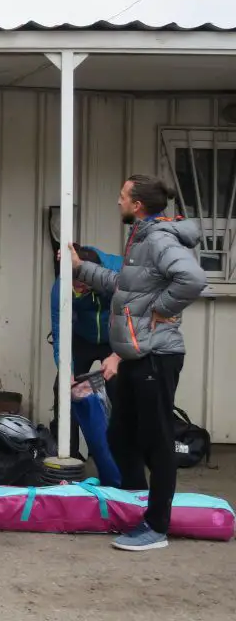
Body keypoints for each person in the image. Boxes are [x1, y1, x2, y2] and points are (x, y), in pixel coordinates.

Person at [70, 174, 207, 551]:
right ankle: (134, 504)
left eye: (122, 196)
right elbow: (124, 286)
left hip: (156, 355)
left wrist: (159, 311)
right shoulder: (142, 238)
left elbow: (192, 279)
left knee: (157, 439)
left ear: (138, 205)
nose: (118, 202)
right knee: (120, 435)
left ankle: (156, 525)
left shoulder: (159, 239)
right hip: (136, 354)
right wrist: (81, 268)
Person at [49, 245, 122, 458]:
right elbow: (60, 334)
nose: (77, 290)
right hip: (82, 338)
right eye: (74, 285)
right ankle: (69, 453)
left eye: (82, 285)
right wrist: (67, 372)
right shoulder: (60, 289)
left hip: (115, 339)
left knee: (119, 387)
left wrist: (118, 355)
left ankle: (118, 454)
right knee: (63, 387)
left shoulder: (118, 271)